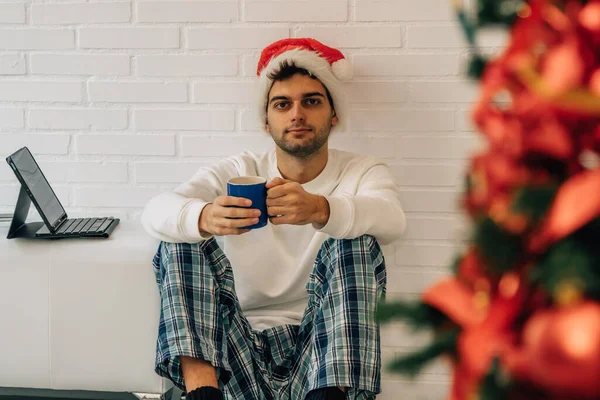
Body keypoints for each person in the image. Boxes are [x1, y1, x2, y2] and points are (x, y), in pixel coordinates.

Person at [141, 38, 406, 400]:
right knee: (181, 238)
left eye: (311, 101)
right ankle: (202, 395)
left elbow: (393, 221)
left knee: (357, 241)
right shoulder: (241, 170)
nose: (297, 114)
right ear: (267, 121)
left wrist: (320, 209)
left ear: (333, 115)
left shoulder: (361, 171)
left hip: (322, 357)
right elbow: (155, 211)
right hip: (237, 351)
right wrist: (204, 217)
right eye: (283, 104)